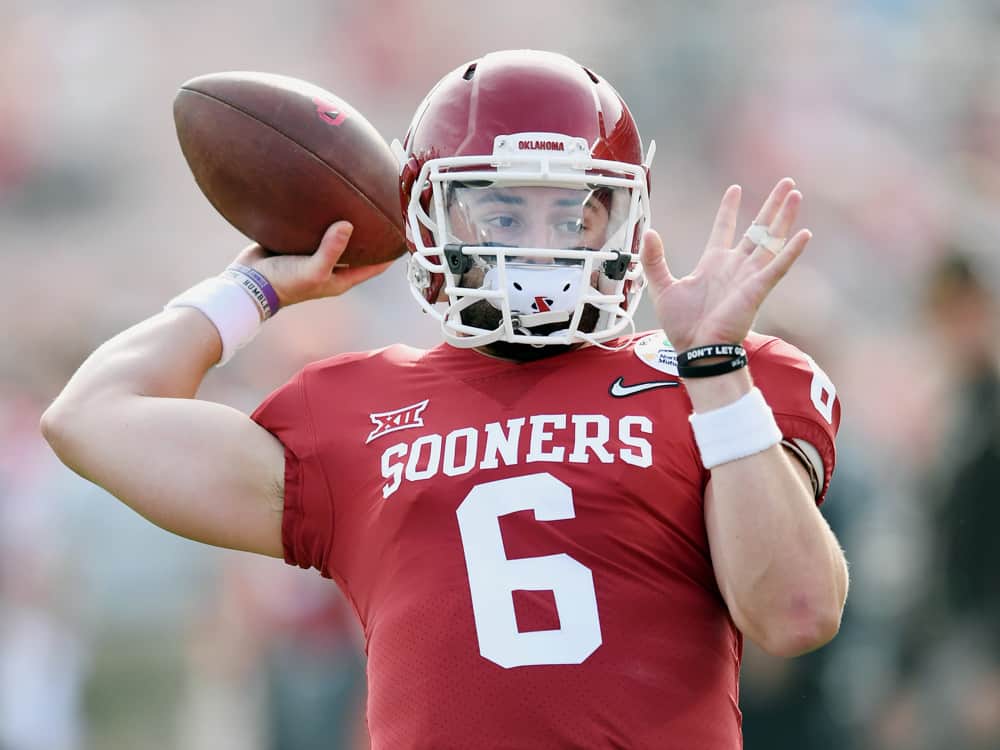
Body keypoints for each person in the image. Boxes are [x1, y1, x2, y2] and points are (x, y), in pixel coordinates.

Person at [41, 50, 849, 748]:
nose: (538, 243)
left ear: (626, 217)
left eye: (572, 211)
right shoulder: (353, 408)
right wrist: (252, 287)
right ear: (424, 215)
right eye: (501, 210)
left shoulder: (716, 380)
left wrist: (716, 369)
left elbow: (797, 613)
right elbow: (90, 418)